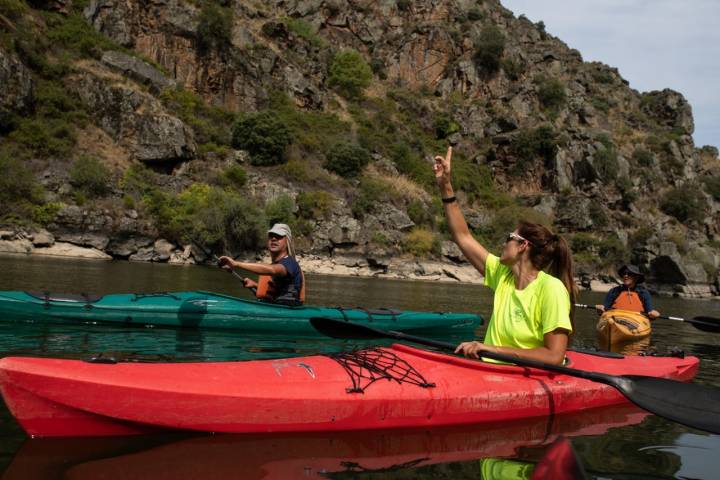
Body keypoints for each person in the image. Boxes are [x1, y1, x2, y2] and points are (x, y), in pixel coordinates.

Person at [433, 146, 577, 366]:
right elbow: (463, 236)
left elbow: (554, 356)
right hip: (489, 371)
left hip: (523, 378)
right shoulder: (503, 276)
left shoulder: (551, 289)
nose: (504, 241)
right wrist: (445, 187)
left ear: (523, 246)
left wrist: (491, 349)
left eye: (510, 236)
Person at [218, 223, 304, 306]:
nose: (273, 238)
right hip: (277, 306)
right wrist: (255, 285)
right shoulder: (277, 264)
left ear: (287, 241)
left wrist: (235, 263)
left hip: (288, 309)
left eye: (279, 236)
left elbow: (272, 270)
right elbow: (280, 289)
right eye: (271, 236)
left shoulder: (289, 263)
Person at [595, 264, 660, 318]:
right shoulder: (614, 291)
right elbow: (604, 310)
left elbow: (650, 313)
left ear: (636, 277)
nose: (625, 276)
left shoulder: (643, 293)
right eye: (624, 273)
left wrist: (653, 314)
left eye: (629, 273)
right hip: (614, 320)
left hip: (636, 321)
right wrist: (600, 309)